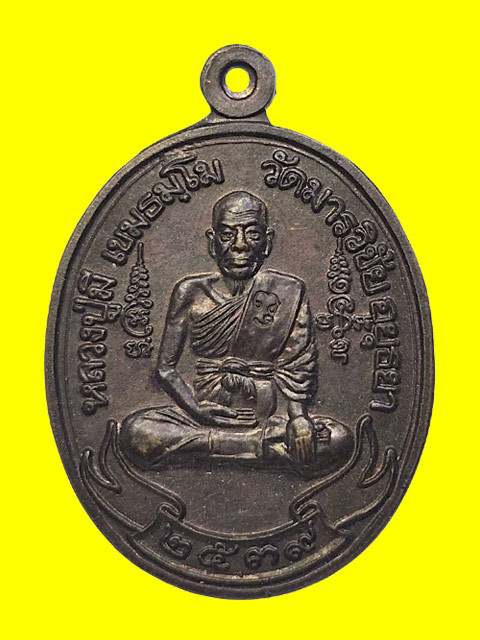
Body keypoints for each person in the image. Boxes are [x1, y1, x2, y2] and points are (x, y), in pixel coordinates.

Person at [120, 191, 353, 477]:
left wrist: (299, 418)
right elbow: (166, 369)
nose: (240, 245)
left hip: (268, 412)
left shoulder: (288, 291)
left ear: (267, 242)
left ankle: (219, 446)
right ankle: (254, 445)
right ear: (212, 242)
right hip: (202, 413)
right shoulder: (190, 291)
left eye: (252, 234)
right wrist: (196, 409)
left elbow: (297, 365)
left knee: (338, 438)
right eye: (228, 234)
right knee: (137, 432)